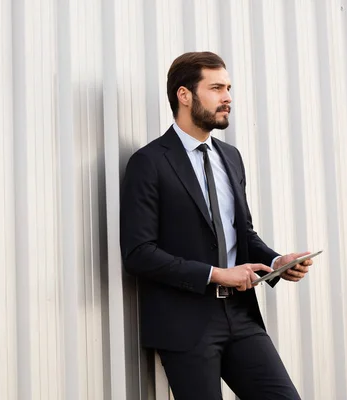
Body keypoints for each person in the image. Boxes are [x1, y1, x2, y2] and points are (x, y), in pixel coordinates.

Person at [120, 51, 313, 400]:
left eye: (229, 88)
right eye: (216, 88)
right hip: (185, 324)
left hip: (241, 315)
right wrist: (215, 274)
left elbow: (243, 235)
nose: (228, 97)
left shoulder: (231, 157)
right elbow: (138, 253)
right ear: (184, 95)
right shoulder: (148, 162)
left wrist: (275, 263)